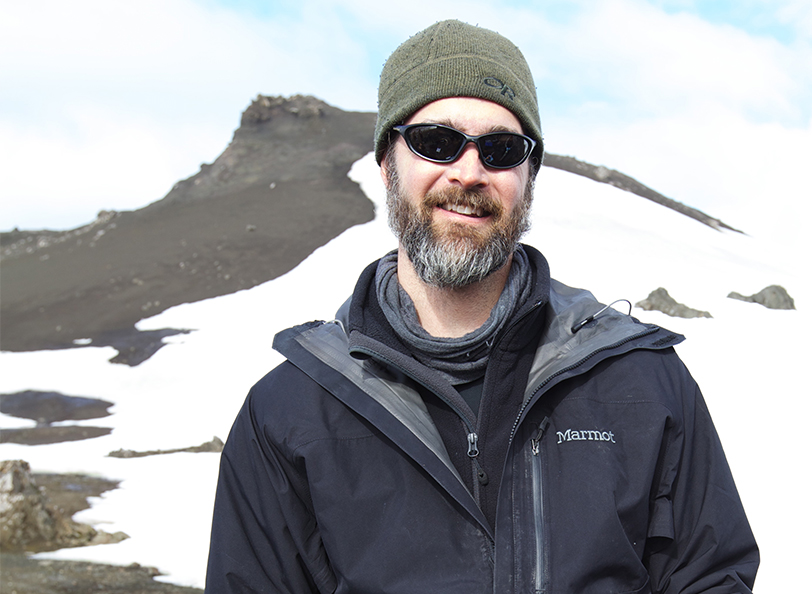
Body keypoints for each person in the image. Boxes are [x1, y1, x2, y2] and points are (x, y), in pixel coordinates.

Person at [206, 19, 759, 594]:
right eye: (437, 142)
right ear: (387, 166)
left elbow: (711, 577)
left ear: (528, 177)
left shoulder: (643, 382)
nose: (469, 172)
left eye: (500, 149)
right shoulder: (290, 411)